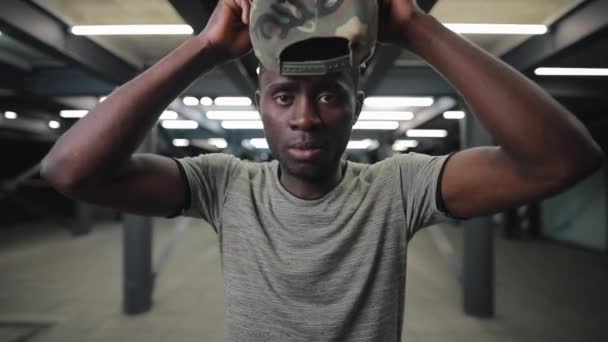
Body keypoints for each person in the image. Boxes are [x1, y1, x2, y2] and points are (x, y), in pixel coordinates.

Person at [41, 0, 603, 340]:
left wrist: (415, 28)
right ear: (259, 104)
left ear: (358, 101)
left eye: (329, 96)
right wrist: (205, 47)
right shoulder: (225, 185)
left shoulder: (397, 188)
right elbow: (70, 172)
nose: (306, 118)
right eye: (283, 97)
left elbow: (562, 159)